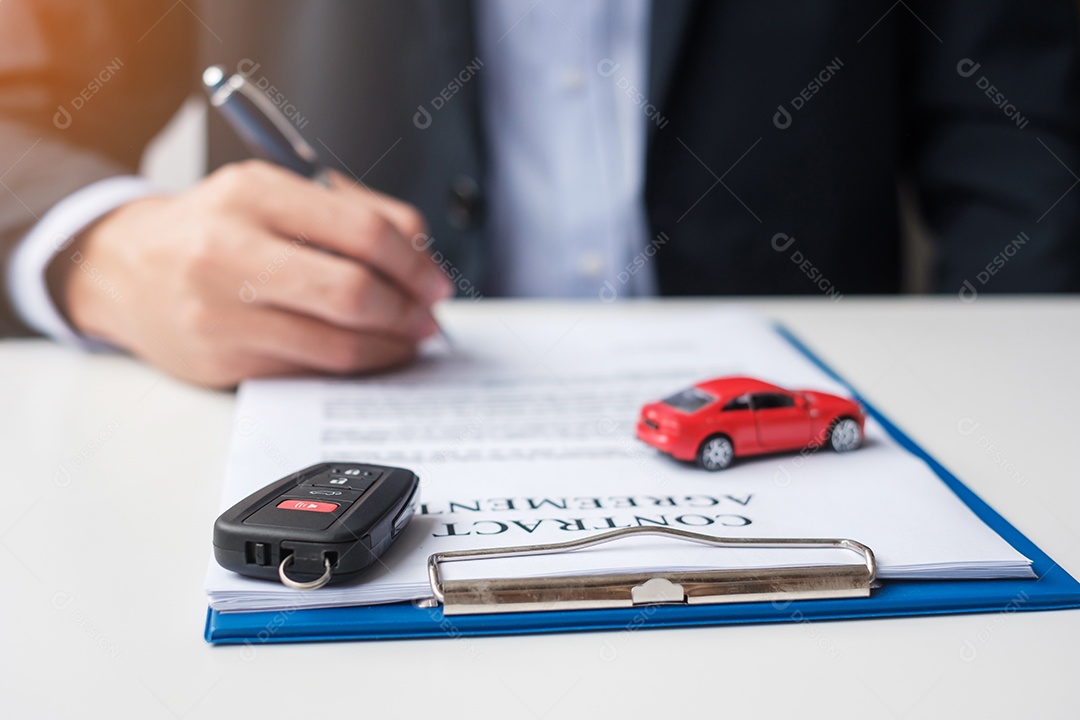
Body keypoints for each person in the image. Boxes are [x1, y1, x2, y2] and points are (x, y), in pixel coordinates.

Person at [1, 0, 1077, 388]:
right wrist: (104, 249)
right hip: (342, 437)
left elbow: (1029, 153)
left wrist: (1016, 426)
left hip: (822, 463)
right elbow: (25, 117)